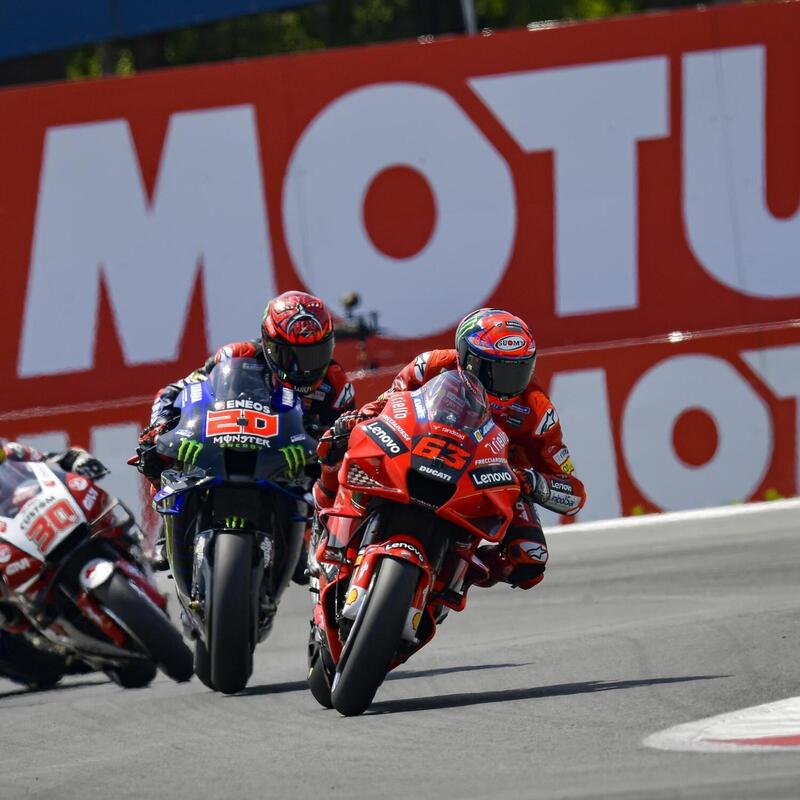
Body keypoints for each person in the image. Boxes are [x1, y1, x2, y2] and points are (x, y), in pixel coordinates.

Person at [314, 307, 586, 590]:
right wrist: (359, 419)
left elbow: (573, 493)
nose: (508, 384)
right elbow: (386, 405)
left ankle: (454, 577)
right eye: (495, 371)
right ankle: (329, 526)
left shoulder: (537, 410)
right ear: (467, 359)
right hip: (417, 449)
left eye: (519, 371)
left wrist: (535, 482)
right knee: (336, 442)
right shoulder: (430, 366)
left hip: (489, 479)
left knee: (530, 556)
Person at [137, 290, 356, 575]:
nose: (302, 368)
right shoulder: (235, 356)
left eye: (314, 354)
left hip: (291, 463)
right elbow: (175, 391)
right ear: (268, 343)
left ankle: (308, 540)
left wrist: (325, 442)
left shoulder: (337, 385)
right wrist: (161, 424)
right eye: (289, 355)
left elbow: (348, 439)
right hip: (228, 445)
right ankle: (169, 531)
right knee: (158, 455)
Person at [0, 441, 104, 687]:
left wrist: (73, 459)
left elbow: (44, 459)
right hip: (10, 547)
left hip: (36, 519)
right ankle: (43, 645)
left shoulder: (9, 454)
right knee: (47, 671)